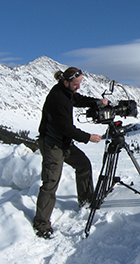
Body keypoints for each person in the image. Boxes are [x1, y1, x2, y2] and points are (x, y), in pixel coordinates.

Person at [33, 67, 108, 239]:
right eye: (76, 84)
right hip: (53, 144)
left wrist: (97, 102)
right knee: (51, 182)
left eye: (80, 83)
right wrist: (88, 137)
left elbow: (78, 99)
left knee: (83, 164)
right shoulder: (57, 98)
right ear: (66, 82)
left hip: (63, 142)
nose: (78, 87)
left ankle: (86, 201)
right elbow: (66, 128)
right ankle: (41, 224)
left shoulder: (66, 91)